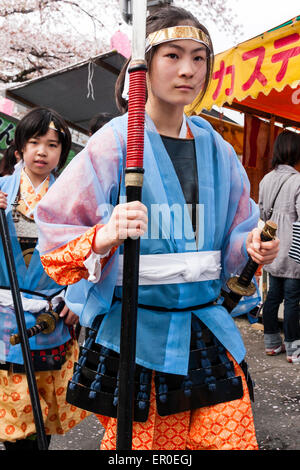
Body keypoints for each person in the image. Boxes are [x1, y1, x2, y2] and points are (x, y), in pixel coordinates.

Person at [35, 6, 279, 451]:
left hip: (208, 325)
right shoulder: (113, 142)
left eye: (199, 57)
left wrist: (252, 245)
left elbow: (236, 236)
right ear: (142, 68)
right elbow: (56, 238)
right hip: (136, 332)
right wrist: (106, 233)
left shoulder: (218, 148)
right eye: (172, 55)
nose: (188, 69)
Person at [0, 107, 89, 451]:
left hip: (49, 318)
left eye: (52, 145)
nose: (41, 151)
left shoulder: (74, 198)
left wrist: (78, 296)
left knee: (40, 418)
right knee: (10, 417)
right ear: (20, 147)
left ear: (61, 153)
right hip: (4, 316)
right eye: (34, 142)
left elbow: (90, 252)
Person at [259, 130, 300, 364]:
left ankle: (272, 343)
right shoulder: (297, 181)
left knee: (273, 297)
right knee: (292, 300)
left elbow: (263, 213)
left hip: (272, 248)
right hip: (293, 250)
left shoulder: (266, 179)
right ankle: (294, 350)